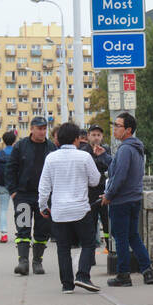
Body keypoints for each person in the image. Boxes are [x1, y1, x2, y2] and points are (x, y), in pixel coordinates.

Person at [38, 122, 104, 294]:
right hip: (80, 209)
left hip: (59, 211)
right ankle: (83, 275)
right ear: (77, 139)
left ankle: (67, 284)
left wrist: (43, 206)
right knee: (89, 243)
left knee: (63, 248)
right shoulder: (84, 157)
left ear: (58, 140)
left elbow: (44, 187)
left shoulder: (50, 158)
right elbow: (95, 180)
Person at [102, 111, 153, 287]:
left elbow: (120, 176)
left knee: (121, 238)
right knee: (133, 236)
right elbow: (118, 168)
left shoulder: (125, 148)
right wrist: (104, 155)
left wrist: (109, 195)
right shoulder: (135, 147)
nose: (114, 129)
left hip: (121, 201)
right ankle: (147, 270)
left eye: (118, 126)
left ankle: (124, 275)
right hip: (134, 199)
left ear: (128, 130)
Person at [6, 116, 56, 275]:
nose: (42, 131)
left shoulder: (51, 147)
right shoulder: (20, 146)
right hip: (23, 195)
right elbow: (10, 169)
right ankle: (23, 262)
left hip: (44, 197)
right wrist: (13, 191)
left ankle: (37, 262)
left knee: (42, 230)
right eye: (39, 128)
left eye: (44, 129)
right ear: (31, 129)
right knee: (23, 228)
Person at [79, 124, 113, 261]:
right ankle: (90, 255)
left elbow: (109, 166)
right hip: (89, 192)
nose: (96, 137)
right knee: (90, 224)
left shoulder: (106, 150)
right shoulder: (84, 151)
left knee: (107, 223)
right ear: (88, 136)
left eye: (99, 135)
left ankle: (111, 250)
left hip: (104, 190)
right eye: (93, 135)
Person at [0, 130, 17, 243]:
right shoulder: (18, 153)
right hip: (16, 186)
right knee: (21, 208)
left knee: (3, 209)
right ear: (14, 140)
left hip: (3, 185)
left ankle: (4, 234)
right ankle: (22, 233)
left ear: (3, 141)